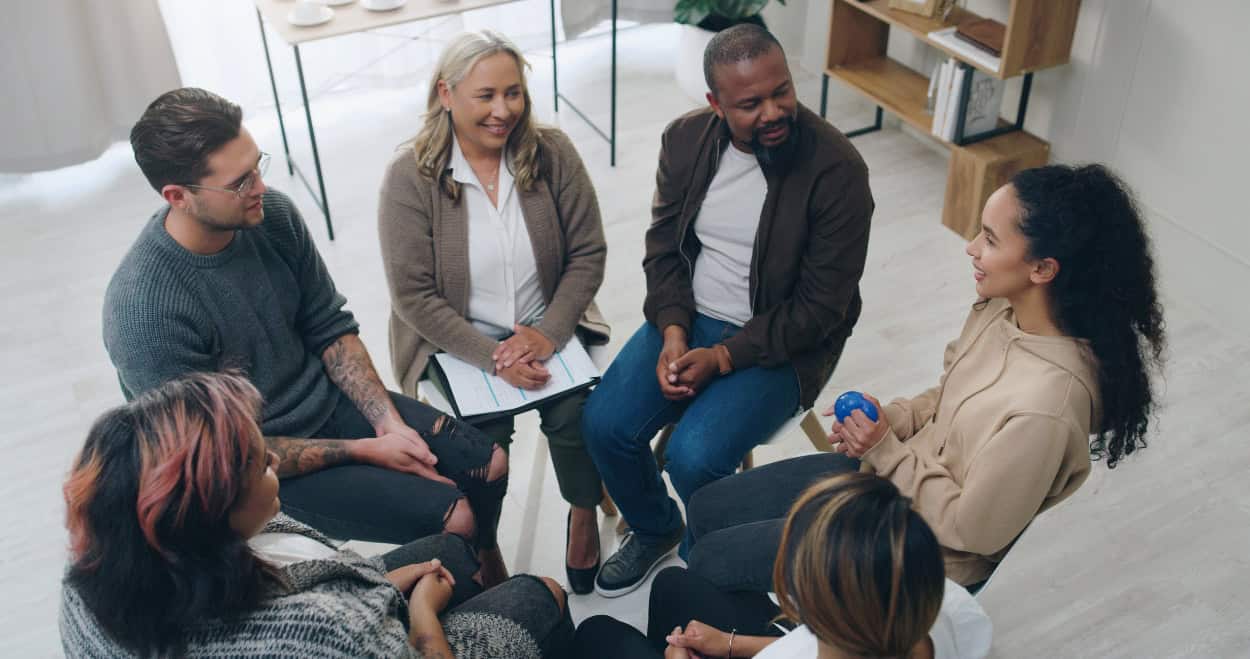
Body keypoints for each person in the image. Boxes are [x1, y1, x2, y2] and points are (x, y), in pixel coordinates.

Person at [684, 163, 1167, 593]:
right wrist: (890, 420)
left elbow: (973, 531)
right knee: (708, 509)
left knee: (709, 563)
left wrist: (884, 450)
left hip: (920, 553)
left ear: (1043, 268)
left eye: (991, 240)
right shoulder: (1002, 310)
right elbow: (948, 394)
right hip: (891, 478)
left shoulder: (1047, 410)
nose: (971, 249)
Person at [102, 88, 510, 584]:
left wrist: (386, 422)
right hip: (257, 464)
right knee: (455, 515)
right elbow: (220, 458)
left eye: (257, 165)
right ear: (177, 197)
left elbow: (330, 326)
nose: (260, 186)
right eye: (240, 182)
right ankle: (452, 603)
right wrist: (365, 450)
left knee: (488, 464)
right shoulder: (144, 310)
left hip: (330, 405)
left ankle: (481, 564)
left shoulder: (270, 214)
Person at [582, 23, 874, 597]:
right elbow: (664, 247)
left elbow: (820, 309)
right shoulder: (686, 141)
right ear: (714, 104)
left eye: (781, 91)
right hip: (691, 316)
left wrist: (721, 357)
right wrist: (672, 329)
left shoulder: (837, 171)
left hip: (783, 342)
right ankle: (655, 528)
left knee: (694, 459)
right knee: (605, 426)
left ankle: (709, 556)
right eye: (750, 103)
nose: (773, 111)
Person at [59, 371, 573, 658]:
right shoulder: (319, 633)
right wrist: (421, 614)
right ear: (216, 517)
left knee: (451, 551)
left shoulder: (90, 578)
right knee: (540, 593)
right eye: (259, 464)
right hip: (395, 643)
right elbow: (340, 632)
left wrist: (386, 583)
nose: (276, 460)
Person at [378, 30, 610, 594]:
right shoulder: (410, 177)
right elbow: (413, 296)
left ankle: (583, 512)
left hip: (545, 324)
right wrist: (494, 357)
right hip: (455, 344)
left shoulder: (551, 154)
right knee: (480, 450)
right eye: (485, 95)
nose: (503, 110)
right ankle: (482, 542)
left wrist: (550, 333)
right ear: (446, 94)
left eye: (514, 93)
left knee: (581, 417)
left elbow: (587, 252)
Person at [572, 473, 992, 659]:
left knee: (597, 633)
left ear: (801, 604)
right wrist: (730, 643)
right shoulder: (945, 607)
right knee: (672, 586)